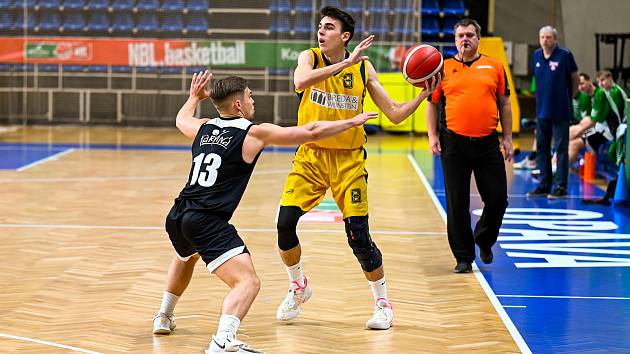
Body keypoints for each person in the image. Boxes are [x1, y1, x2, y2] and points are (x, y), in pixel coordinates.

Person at [152, 70, 376, 354]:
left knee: (185, 256)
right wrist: (352, 122)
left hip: (178, 213)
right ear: (237, 105)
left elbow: (180, 119)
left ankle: (164, 314)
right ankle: (223, 340)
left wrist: (193, 97)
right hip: (207, 220)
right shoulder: (253, 132)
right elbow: (310, 132)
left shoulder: (204, 127)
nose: (252, 101)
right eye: (249, 96)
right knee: (248, 282)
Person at [275, 6, 440, 330]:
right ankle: (299, 286)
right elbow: (300, 80)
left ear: (345, 36)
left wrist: (423, 95)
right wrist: (343, 65)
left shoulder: (363, 69)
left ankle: (383, 304)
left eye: (329, 28)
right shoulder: (309, 58)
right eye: (320, 27)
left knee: (358, 237)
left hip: (349, 161)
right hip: (311, 156)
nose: (321, 32)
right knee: (284, 225)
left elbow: (393, 113)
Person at [425, 18, 513, 273]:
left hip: (487, 143)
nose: (465, 39)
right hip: (454, 144)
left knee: (497, 200)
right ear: (455, 40)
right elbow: (432, 104)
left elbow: (505, 104)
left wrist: (507, 137)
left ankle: (484, 239)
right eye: (461, 35)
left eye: (470, 35)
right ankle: (463, 257)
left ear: (478, 39)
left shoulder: (494, 66)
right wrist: (433, 135)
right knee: (457, 202)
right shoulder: (443, 68)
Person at [527, 25, 578, 199]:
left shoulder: (565, 55)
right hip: (542, 112)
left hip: (561, 112)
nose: (545, 40)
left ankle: (560, 187)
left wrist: (567, 98)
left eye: (548, 37)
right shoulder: (535, 56)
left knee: (561, 149)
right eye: (542, 37)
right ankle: (544, 184)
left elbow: (574, 79)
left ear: (555, 39)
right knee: (542, 149)